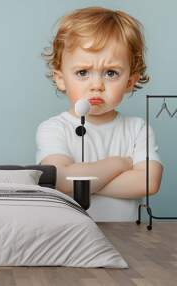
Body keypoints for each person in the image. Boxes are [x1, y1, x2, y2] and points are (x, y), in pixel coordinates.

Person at [36, 6, 163, 199]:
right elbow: (60, 181)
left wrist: (80, 181)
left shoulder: (137, 129)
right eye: (82, 72)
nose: (97, 85)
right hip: (71, 230)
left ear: (130, 81)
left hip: (125, 230)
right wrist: (118, 165)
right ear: (61, 79)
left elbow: (148, 183)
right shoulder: (54, 128)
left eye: (111, 73)